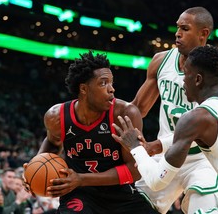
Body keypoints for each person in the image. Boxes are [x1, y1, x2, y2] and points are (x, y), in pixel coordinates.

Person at [112, 45, 218, 213]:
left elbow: (156, 181)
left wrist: (136, 148)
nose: (183, 80)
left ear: (198, 79)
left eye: (186, 74)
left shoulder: (197, 117)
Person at [24, 51, 159, 214]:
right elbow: (52, 143)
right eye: (103, 83)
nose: (112, 89)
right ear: (84, 89)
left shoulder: (124, 114)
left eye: (111, 82)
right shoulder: (57, 117)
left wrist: (81, 179)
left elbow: (135, 170)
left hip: (120, 195)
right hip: (79, 195)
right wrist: (33, 169)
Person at [130, 6, 218, 214]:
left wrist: (155, 146)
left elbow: (204, 126)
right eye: (177, 28)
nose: (177, 33)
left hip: (202, 159)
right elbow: (138, 109)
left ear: (203, 34)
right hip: (166, 156)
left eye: (185, 28)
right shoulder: (161, 61)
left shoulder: (217, 74)